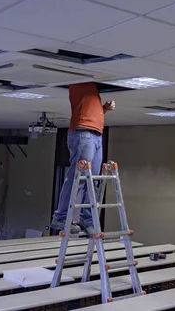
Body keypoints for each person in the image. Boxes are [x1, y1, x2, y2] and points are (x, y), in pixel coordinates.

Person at [50, 82, 115, 236]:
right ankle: (61, 217)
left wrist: (104, 108)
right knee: (76, 178)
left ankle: (86, 219)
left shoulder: (92, 90)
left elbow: (89, 110)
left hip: (96, 134)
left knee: (92, 180)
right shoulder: (80, 80)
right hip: (82, 132)